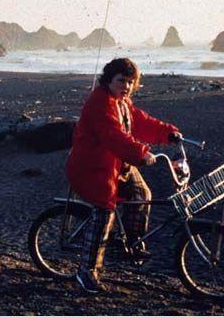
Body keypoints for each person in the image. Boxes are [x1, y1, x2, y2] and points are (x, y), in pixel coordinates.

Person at [65, 58, 180, 294]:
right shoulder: (100, 102)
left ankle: (132, 242)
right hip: (93, 168)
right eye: (121, 81)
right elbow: (113, 136)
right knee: (104, 213)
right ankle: (86, 273)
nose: (126, 86)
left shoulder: (122, 102)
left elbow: (140, 121)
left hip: (116, 164)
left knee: (142, 193)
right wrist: (142, 153)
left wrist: (168, 133)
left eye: (130, 82)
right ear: (109, 80)